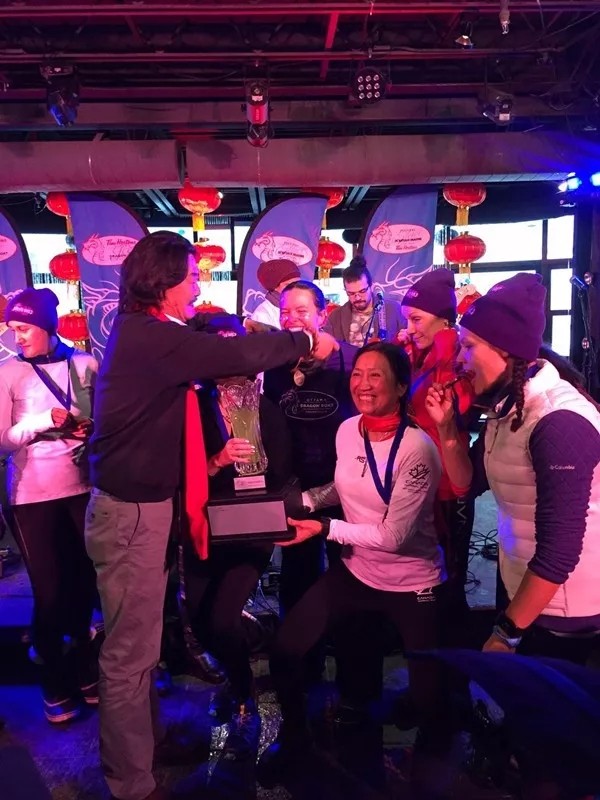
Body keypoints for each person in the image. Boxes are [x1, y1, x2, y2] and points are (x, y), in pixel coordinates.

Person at [84, 231, 338, 800]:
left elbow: (225, 348)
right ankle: (131, 783)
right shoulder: (151, 337)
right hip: (130, 515)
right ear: (164, 281)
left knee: (141, 646)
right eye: (194, 276)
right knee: (129, 654)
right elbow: (236, 355)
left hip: (143, 511)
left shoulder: (147, 333)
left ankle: (146, 746)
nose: (199, 287)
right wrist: (303, 338)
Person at [259, 342, 446, 777]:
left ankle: (426, 770)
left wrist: (324, 528)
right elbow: (344, 486)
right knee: (285, 648)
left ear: (401, 387)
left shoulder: (417, 449)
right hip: (357, 571)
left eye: (376, 375)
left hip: (412, 583)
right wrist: (307, 501)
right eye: (358, 373)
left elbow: (394, 537)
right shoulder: (347, 430)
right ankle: (295, 740)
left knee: (429, 700)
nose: (363, 383)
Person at [425, 272, 600, 665]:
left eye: (468, 346)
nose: (459, 359)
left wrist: (506, 632)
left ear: (505, 350)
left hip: (567, 609)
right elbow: (466, 484)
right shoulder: (508, 407)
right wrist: (447, 428)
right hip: (523, 587)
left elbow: (560, 551)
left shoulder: (558, 421)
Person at [182, 313, 293, 759]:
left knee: (223, 618)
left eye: (235, 346)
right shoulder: (190, 407)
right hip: (205, 525)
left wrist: (255, 472)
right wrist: (217, 461)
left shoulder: (264, 406)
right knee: (200, 621)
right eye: (219, 348)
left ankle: (244, 691)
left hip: (251, 528)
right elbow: (179, 473)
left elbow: (282, 469)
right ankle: (236, 667)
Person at [0, 287, 98, 723]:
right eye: (12, 329)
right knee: (50, 591)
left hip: (82, 487)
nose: (16, 336)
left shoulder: (85, 363)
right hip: (31, 495)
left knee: (83, 584)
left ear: (47, 326)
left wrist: (89, 428)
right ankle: (54, 681)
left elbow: (105, 419)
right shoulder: (8, 373)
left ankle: (84, 670)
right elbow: (3, 441)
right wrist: (42, 422)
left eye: (23, 328)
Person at [264, 280, 356, 620]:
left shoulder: (350, 360)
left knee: (349, 568)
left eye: (302, 311)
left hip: (344, 485)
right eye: (285, 312)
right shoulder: (275, 365)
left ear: (322, 315)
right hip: (295, 486)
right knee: (297, 573)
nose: (291, 319)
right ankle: (299, 640)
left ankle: (347, 636)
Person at [399, 269, 475, 615]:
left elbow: (458, 403)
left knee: (449, 573)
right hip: (422, 479)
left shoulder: (456, 356)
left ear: (444, 320)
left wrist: (444, 344)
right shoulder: (422, 355)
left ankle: (451, 637)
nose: (410, 328)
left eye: (416, 319)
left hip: (447, 484)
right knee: (428, 568)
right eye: (407, 320)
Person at [324, 255, 404, 346]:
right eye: (351, 293)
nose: (357, 298)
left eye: (362, 291)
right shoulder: (336, 317)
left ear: (371, 286)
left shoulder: (393, 309)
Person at [250, 258, 301, 329]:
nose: (296, 288)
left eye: (298, 283)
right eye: (289, 285)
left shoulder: (304, 308)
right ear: (275, 287)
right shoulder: (262, 315)